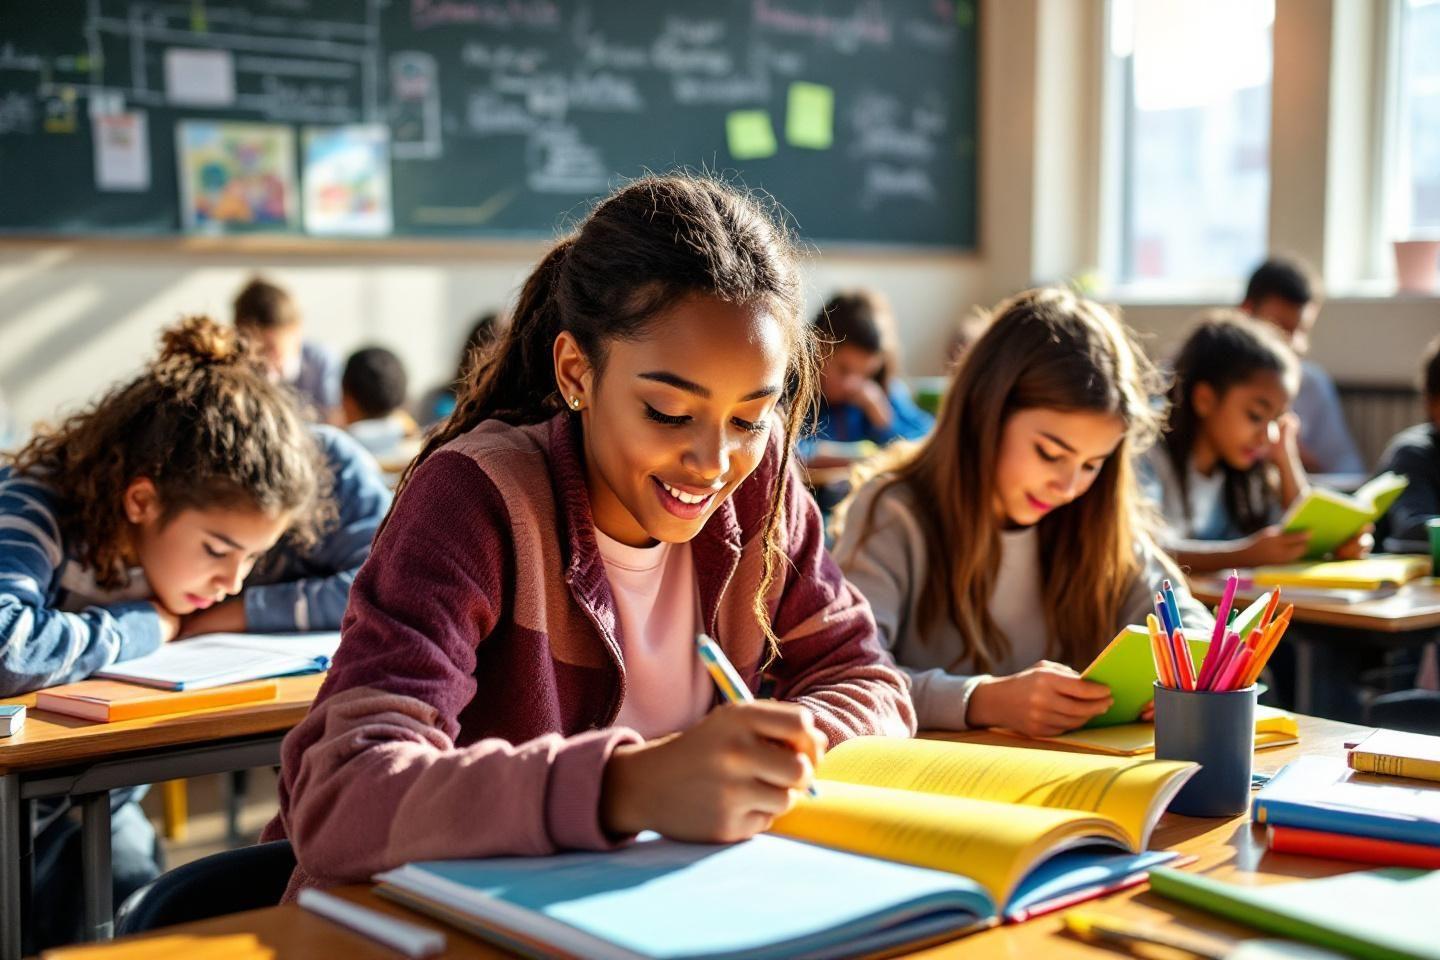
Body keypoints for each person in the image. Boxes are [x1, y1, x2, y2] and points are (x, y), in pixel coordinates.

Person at [262, 174, 915, 896]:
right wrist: (627, 787)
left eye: (749, 418)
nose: (713, 461)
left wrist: (787, 750)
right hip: (426, 927)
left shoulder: (762, 491)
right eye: (668, 412)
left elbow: (867, 680)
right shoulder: (478, 497)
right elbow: (344, 795)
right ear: (577, 372)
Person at [0, 317, 332, 947]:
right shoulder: (36, 505)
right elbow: (7, 647)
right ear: (141, 501)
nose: (234, 582)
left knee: (135, 895)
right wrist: (142, 625)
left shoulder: (186, 557)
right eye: (217, 549)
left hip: (96, 804)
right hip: (11, 806)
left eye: (253, 559)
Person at [832, 288, 1211, 737]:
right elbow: (847, 677)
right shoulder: (893, 511)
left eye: (1092, 464)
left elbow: (1189, 623)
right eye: (1050, 453)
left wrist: (1180, 668)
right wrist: (982, 700)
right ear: (985, 414)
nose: (1068, 486)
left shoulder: (1094, 516)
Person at [1240, 257, 1364, 474]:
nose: (1294, 343)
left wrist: (1294, 456)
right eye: (1280, 328)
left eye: (1302, 331)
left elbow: (1347, 469)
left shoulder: (1313, 384)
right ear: (1247, 312)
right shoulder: (1214, 376)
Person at [233, 276, 341, 421]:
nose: (265, 360)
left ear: (296, 331)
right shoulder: (237, 368)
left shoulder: (320, 362)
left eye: (272, 348)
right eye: (257, 351)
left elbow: (334, 420)